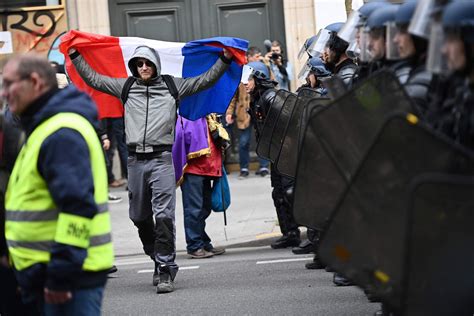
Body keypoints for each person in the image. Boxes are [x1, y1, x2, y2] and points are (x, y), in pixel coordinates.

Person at [69, 45, 234, 293]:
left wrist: (224, 59)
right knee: (138, 216)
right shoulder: (126, 87)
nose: (143, 67)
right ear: (134, 66)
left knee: (164, 215)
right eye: (139, 64)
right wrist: (75, 56)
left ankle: (166, 269)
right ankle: (157, 257)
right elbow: (94, 79)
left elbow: (204, 81)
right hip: (135, 162)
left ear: (155, 64)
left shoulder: (172, 86)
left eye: (147, 63)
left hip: (162, 160)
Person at [1, 54, 114, 315]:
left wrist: (60, 275)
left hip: (67, 278)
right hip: (48, 272)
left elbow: (77, 208)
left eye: (8, 84)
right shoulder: (45, 125)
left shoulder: (61, 131)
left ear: (35, 81)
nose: (4, 93)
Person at [243, 61, 301, 249]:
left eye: (249, 79)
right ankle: (290, 233)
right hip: (275, 154)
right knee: (279, 193)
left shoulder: (271, 97)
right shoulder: (258, 97)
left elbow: (290, 122)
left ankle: (313, 233)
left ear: (258, 78)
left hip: (285, 154)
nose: (245, 83)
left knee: (290, 193)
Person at [176, 114, 228, 258]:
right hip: (194, 169)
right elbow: (185, 138)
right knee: (194, 209)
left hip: (208, 167)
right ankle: (194, 245)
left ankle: (203, 241)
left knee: (204, 207)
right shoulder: (188, 113)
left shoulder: (209, 114)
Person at [226, 47, 270, 178]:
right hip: (244, 112)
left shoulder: (264, 68)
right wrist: (229, 112)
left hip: (259, 110)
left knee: (262, 139)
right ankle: (244, 168)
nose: (258, 59)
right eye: (256, 56)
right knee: (244, 142)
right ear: (249, 57)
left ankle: (263, 166)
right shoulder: (242, 73)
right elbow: (234, 96)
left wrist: (267, 66)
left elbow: (271, 85)